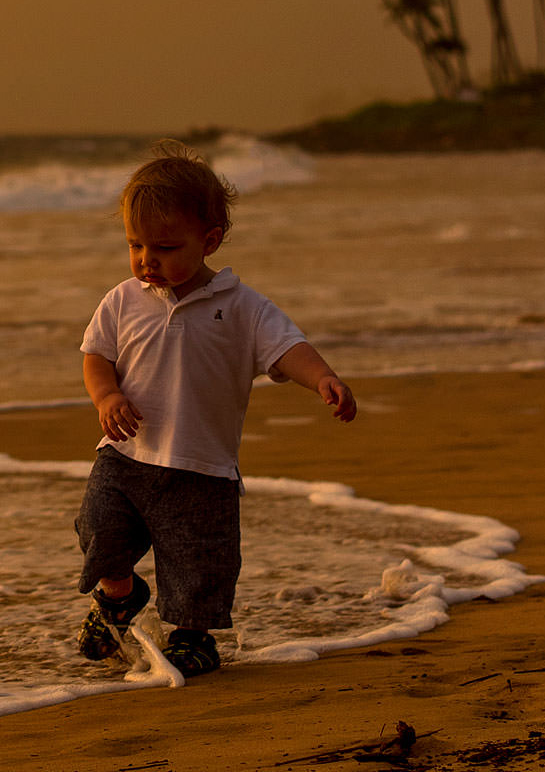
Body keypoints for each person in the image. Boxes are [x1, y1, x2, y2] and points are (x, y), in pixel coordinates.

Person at [73, 143, 356, 678]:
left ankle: (193, 637)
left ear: (209, 241)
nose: (145, 260)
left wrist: (323, 378)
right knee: (99, 528)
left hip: (201, 466)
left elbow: (286, 348)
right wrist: (107, 396)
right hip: (126, 455)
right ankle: (118, 595)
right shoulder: (122, 299)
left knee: (198, 562)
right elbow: (96, 356)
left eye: (164, 247)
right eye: (134, 246)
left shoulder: (243, 307)